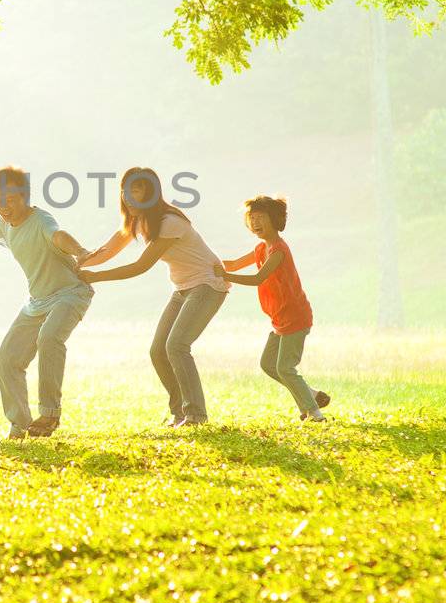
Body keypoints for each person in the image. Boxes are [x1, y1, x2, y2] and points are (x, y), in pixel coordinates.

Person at [78, 167, 227, 427]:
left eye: (136, 191)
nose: (129, 197)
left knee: (177, 346)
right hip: (182, 289)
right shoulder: (136, 221)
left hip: (207, 285)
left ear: (150, 193)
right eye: (125, 192)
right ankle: (180, 412)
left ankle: (196, 415)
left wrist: (96, 277)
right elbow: (106, 250)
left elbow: (140, 266)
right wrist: (78, 263)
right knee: (158, 351)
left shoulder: (170, 221)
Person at [0, 166, 94, 439]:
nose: (4, 206)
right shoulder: (3, 224)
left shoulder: (41, 220)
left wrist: (81, 251)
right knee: (7, 358)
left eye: (10, 199)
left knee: (49, 338)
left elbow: (58, 236)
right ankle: (20, 424)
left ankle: (49, 414)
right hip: (37, 301)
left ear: (24, 197)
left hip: (70, 293)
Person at [223, 195, 332, 422]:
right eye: (251, 218)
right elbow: (232, 263)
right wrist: (203, 262)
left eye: (260, 217)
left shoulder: (278, 250)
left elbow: (258, 278)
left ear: (274, 219)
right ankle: (311, 395)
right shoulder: (261, 248)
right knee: (268, 364)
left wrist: (224, 276)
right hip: (279, 318)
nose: (255, 223)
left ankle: (314, 413)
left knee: (285, 368)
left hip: (295, 317)